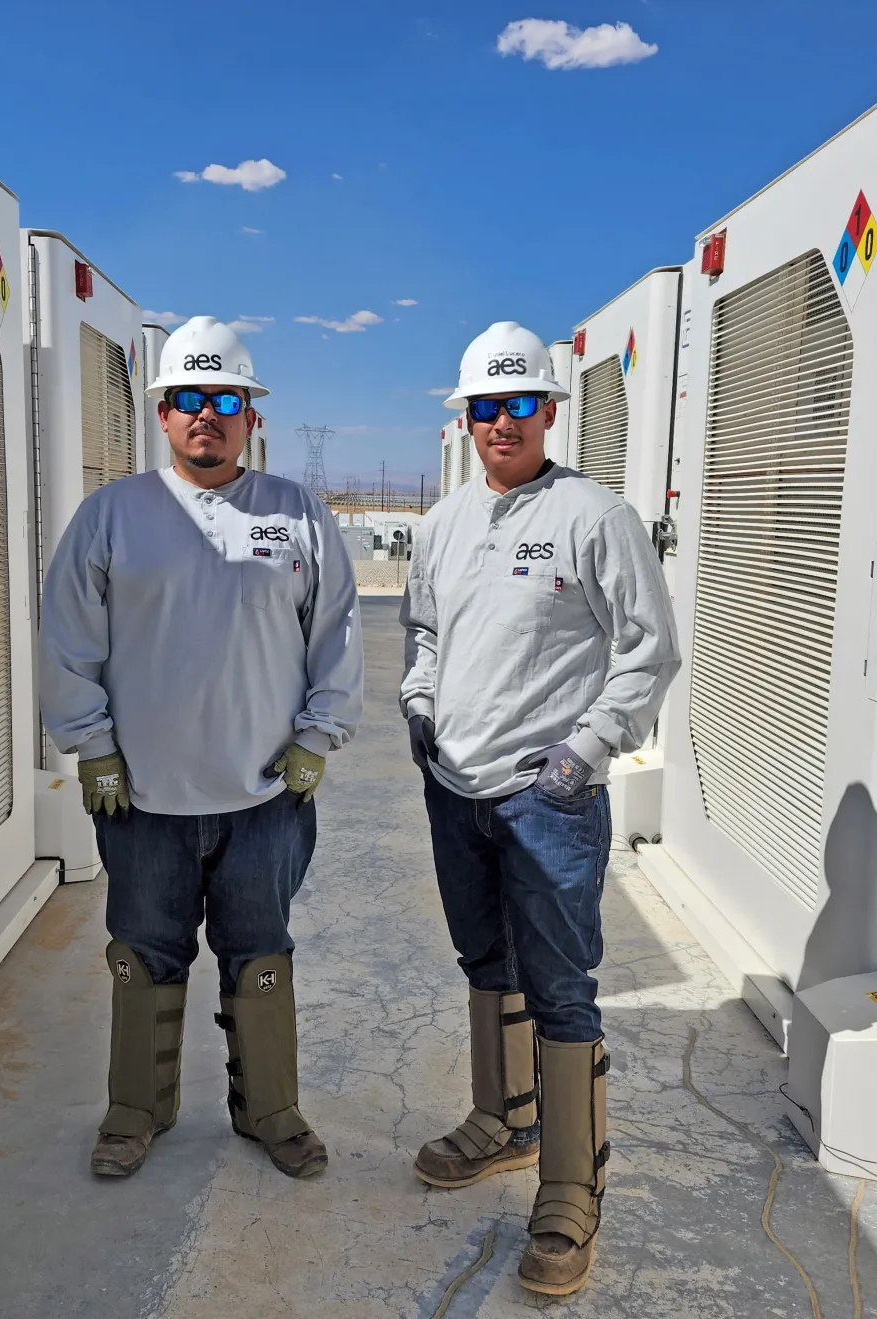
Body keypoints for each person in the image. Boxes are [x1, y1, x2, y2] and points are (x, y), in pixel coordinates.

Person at [40, 317, 363, 1180]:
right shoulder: (112, 516)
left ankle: (270, 1109)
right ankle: (134, 1109)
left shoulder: (296, 512)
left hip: (266, 798)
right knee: (143, 955)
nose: (207, 416)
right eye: (189, 399)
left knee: (260, 955)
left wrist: (317, 737)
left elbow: (335, 637)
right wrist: (92, 748)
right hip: (143, 799)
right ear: (163, 412)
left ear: (251, 414)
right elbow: (67, 641)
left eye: (225, 399)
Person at [400, 322, 680, 1296]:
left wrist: (585, 750)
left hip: (547, 801)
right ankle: (503, 1119)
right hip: (457, 790)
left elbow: (648, 648)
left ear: (548, 410)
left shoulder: (592, 517)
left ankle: (567, 1189)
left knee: (561, 991)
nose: (500, 423)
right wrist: (419, 705)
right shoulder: (438, 525)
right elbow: (426, 635)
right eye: (485, 407)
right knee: (487, 963)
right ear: (466, 419)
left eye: (519, 404)